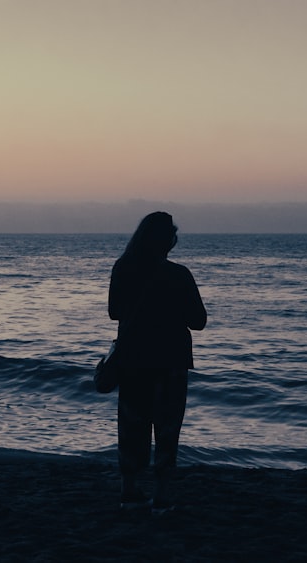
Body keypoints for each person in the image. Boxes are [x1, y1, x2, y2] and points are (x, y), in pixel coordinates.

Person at [108, 211, 207, 514]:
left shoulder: (123, 268)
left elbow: (114, 312)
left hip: (133, 361)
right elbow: (198, 321)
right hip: (170, 361)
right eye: (173, 234)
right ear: (166, 240)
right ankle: (162, 494)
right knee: (166, 429)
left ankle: (129, 489)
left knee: (131, 428)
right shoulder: (179, 275)